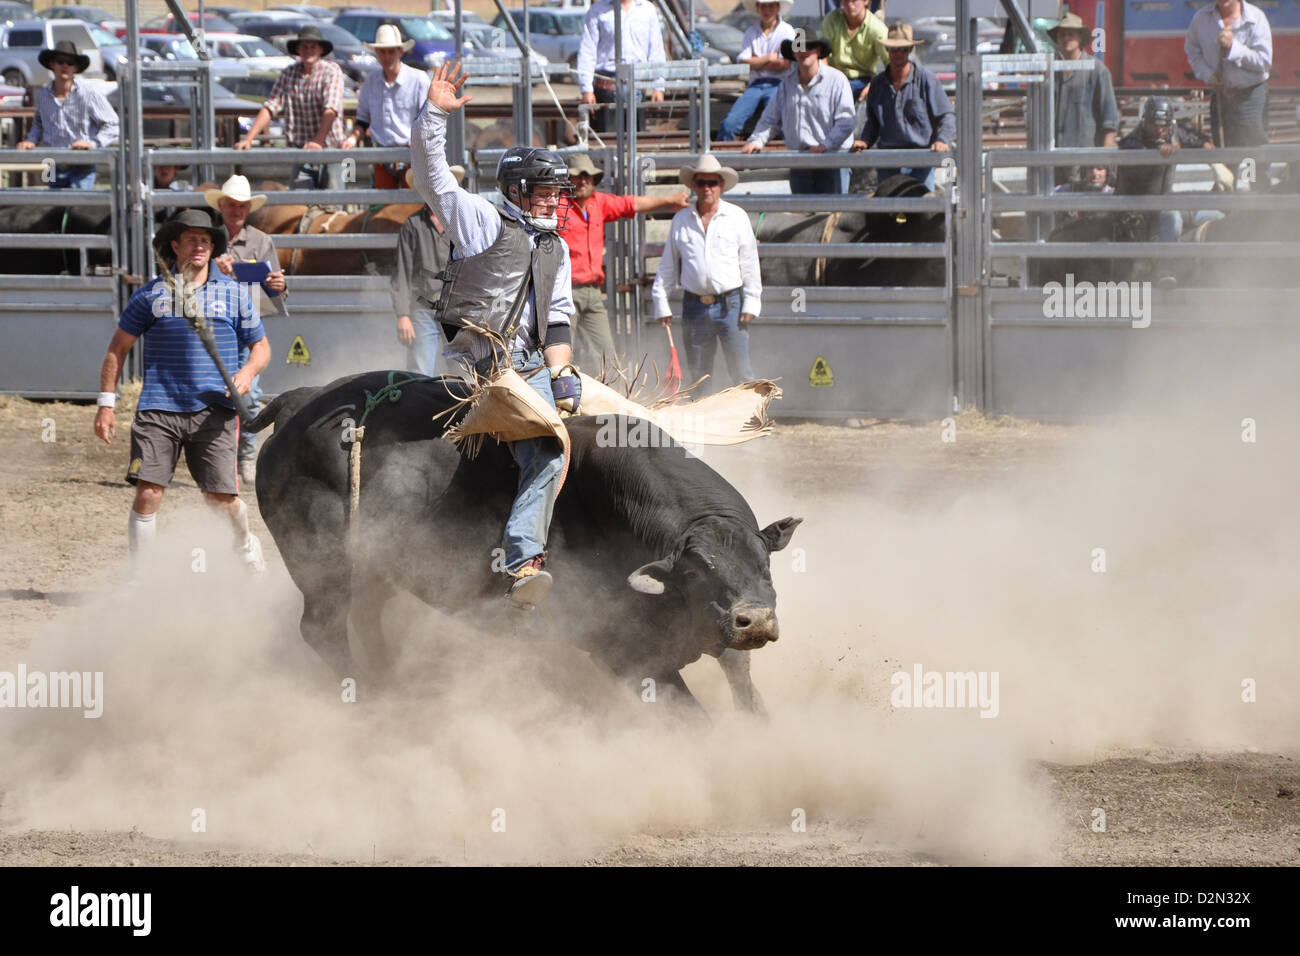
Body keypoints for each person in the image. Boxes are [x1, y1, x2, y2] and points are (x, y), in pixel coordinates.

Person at [410, 62, 581, 609]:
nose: (555, 200)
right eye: (545, 191)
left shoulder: (557, 246)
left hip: (532, 367)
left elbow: (557, 318)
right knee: (549, 451)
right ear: (515, 190)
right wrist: (434, 114)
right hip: (475, 366)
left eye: (558, 192)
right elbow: (432, 178)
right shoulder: (479, 218)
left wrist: (561, 371)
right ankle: (524, 559)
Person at [93, 209, 270, 575]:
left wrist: (247, 373)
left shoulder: (234, 294)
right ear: (175, 246)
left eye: (205, 240)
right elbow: (117, 349)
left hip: (215, 409)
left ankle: (246, 546)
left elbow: (262, 348)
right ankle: (140, 578)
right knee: (148, 492)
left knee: (220, 500)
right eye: (191, 239)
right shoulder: (151, 295)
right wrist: (106, 404)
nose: (199, 246)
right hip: (158, 408)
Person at [557, 153, 690, 372]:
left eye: (587, 176)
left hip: (592, 292)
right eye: (576, 176)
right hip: (563, 292)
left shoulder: (597, 203)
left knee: (606, 355)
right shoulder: (557, 206)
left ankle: (608, 398)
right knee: (561, 354)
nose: (583, 181)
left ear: (593, 180)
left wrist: (669, 200)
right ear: (567, 180)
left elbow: (632, 203)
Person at [652, 155, 761, 393]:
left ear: (721, 185)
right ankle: (704, 428)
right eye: (702, 182)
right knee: (699, 375)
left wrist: (752, 301)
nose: (707, 188)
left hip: (730, 302)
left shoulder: (736, 217)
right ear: (694, 185)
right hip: (694, 305)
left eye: (712, 183)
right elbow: (668, 265)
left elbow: (750, 262)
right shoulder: (681, 220)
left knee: (741, 371)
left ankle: (754, 428)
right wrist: (661, 301)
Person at [206, 175, 287, 484]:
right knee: (217, 393)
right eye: (232, 206)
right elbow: (190, 275)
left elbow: (275, 287)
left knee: (250, 394)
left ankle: (246, 456)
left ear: (247, 208)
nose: (237, 211)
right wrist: (216, 268)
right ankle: (222, 456)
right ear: (223, 206)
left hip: (246, 326)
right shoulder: (208, 239)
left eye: (242, 206)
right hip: (214, 325)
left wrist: (280, 285)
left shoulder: (262, 241)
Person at [739, 35, 856, 194]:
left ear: (818, 51)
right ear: (793, 53)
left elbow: (846, 120)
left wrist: (826, 145)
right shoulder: (787, 84)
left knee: (832, 214)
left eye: (809, 47)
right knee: (801, 215)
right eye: (798, 47)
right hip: (800, 161)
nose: (803, 51)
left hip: (832, 160)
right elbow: (770, 119)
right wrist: (756, 140)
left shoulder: (837, 80)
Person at [235, 25, 346, 191]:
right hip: (300, 151)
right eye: (304, 47)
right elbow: (270, 107)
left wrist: (318, 141)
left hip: (331, 150)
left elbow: (331, 109)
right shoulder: (289, 73)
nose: (308, 50)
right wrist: (249, 138)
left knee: (333, 202)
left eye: (313, 47)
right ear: (298, 50)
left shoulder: (332, 71)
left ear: (320, 50)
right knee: (299, 204)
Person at [850, 23, 955, 191]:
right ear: (887, 51)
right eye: (894, 49)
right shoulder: (877, 84)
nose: (898, 54)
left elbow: (947, 115)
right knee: (888, 211)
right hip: (888, 161)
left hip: (921, 161)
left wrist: (942, 140)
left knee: (922, 210)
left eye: (903, 49)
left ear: (910, 50)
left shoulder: (926, 79)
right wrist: (865, 141)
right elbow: (873, 122)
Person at [391, 165, 465, 376]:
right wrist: (403, 315)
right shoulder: (413, 225)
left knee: (462, 374)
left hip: (457, 311)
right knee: (420, 374)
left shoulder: (460, 222)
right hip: (423, 309)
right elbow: (401, 272)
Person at [16, 40, 118, 189]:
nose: (65, 66)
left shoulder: (88, 93)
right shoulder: (43, 95)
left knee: (77, 207)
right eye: (60, 61)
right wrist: (31, 140)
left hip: (81, 164)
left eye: (69, 63)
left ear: (75, 68)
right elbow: (39, 124)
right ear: (52, 64)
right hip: (51, 162)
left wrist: (92, 143)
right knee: (51, 206)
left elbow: (113, 123)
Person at [1116, 96, 1217, 245]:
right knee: (1172, 217)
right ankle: (1167, 265)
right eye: (1153, 125)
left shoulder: (1172, 133)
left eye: (1164, 126)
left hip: (1166, 202)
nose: (1159, 130)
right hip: (1138, 209)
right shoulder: (1131, 143)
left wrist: (1206, 146)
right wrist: (1158, 150)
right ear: (1145, 121)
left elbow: (1198, 139)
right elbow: (1135, 155)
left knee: (1216, 216)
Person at [344, 24, 432, 189]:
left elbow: (427, 119)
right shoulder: (370, 83)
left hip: (411, 155)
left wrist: (419, 141)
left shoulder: (419, 80)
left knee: (413, 206)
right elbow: (362, 120)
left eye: (391, 51)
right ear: (377, 53)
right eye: (382, 52)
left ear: (400, 52)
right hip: (382, 155)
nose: (387, 57)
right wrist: (352, 138)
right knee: (383, 208)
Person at [1185, 0, 1272, 159]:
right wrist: (1208, 75)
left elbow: (1263, 62)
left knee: (1251, 152)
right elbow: (1193, 53)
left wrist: (1233, 47)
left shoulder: (1256, 18)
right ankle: (1227, 183)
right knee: (1223, 147)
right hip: (1221, 96)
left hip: (1250, 96)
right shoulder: (1201, 19)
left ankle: (1253, 183)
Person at [577, 0, 666, 134]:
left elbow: (656, 50)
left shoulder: (648, 10)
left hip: (637, 85)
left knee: (636, 138)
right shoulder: (597, 11)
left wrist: (658, 86)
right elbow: (588, 51)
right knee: (609, 138)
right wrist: (586, 89)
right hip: (606, 86)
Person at [1049, 12, 1118, 184]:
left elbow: (1109, 115)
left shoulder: (1098, 70)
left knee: (1082, 205)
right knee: (1056, 204)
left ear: (1080, 37)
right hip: (1053, 154)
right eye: (1062, 34)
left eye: (1070, 34)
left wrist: (1105, 153)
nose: (1066, 38)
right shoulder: (1050, 72)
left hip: (1085, 156)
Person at [716, 0, 797, 142]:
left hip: (778, 83)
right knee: (730, 123)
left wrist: (756, 61)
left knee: (777, 121)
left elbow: (785, 63)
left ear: (777, 7)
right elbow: (744, 62)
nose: (767, 10)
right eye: (764, 6)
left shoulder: (786, 30)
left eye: (771, 5)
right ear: (758, 8)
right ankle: (724, 158)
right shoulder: (751, 31)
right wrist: (770, 58)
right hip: (757, 84)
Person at [820, 0, 887, 102]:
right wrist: (825, 79)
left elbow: (890, 62)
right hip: (835, 78)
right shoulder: (831, 20)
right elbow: (821, 54)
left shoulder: (877, 29)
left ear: (866, 1)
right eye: (846, 0)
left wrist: (873, 86)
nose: (850, 4)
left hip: (864, 81)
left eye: (854, 0)